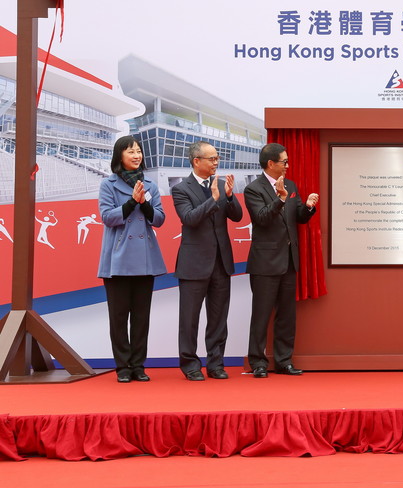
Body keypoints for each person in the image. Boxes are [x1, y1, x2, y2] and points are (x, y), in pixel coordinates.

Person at [244, 143, 319, 378]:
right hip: (265, 263)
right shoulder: (253, 189)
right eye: (284, 162)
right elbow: (262, 219)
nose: (288, 165)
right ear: (271, 164)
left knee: (287, 315)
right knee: (261, 315)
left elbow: (298, 218)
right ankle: (258, 362)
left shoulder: (291, 184)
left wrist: (307, 208)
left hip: (288, 261)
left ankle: (284, 361)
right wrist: (279, 198)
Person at [172, 141, 243, 381]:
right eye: (211, 158)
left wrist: (229, 196)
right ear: (196, 161)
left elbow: (237, 216)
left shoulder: (222, 185)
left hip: (221, 263)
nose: (216, 162)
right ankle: (190, 364)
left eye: (217, 158)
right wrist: (213, 199)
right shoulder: (181, 189)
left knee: (218, 318)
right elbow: (189, 218)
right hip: (193, 264)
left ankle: (216, 363)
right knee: (189, 319)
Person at [97, 136, 166, 383]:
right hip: (117, 260)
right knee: (118, 317)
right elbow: (108, 217)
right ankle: (123, 367)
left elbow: (159, 219)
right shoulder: (108, 184)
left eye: (138, 151)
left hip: (145, 259)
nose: (136, 156)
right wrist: (131, 202)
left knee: (141, 316)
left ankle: (138, 365)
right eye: (131, 152)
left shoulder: (151, 184)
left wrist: (144, 202)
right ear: (119, 156)